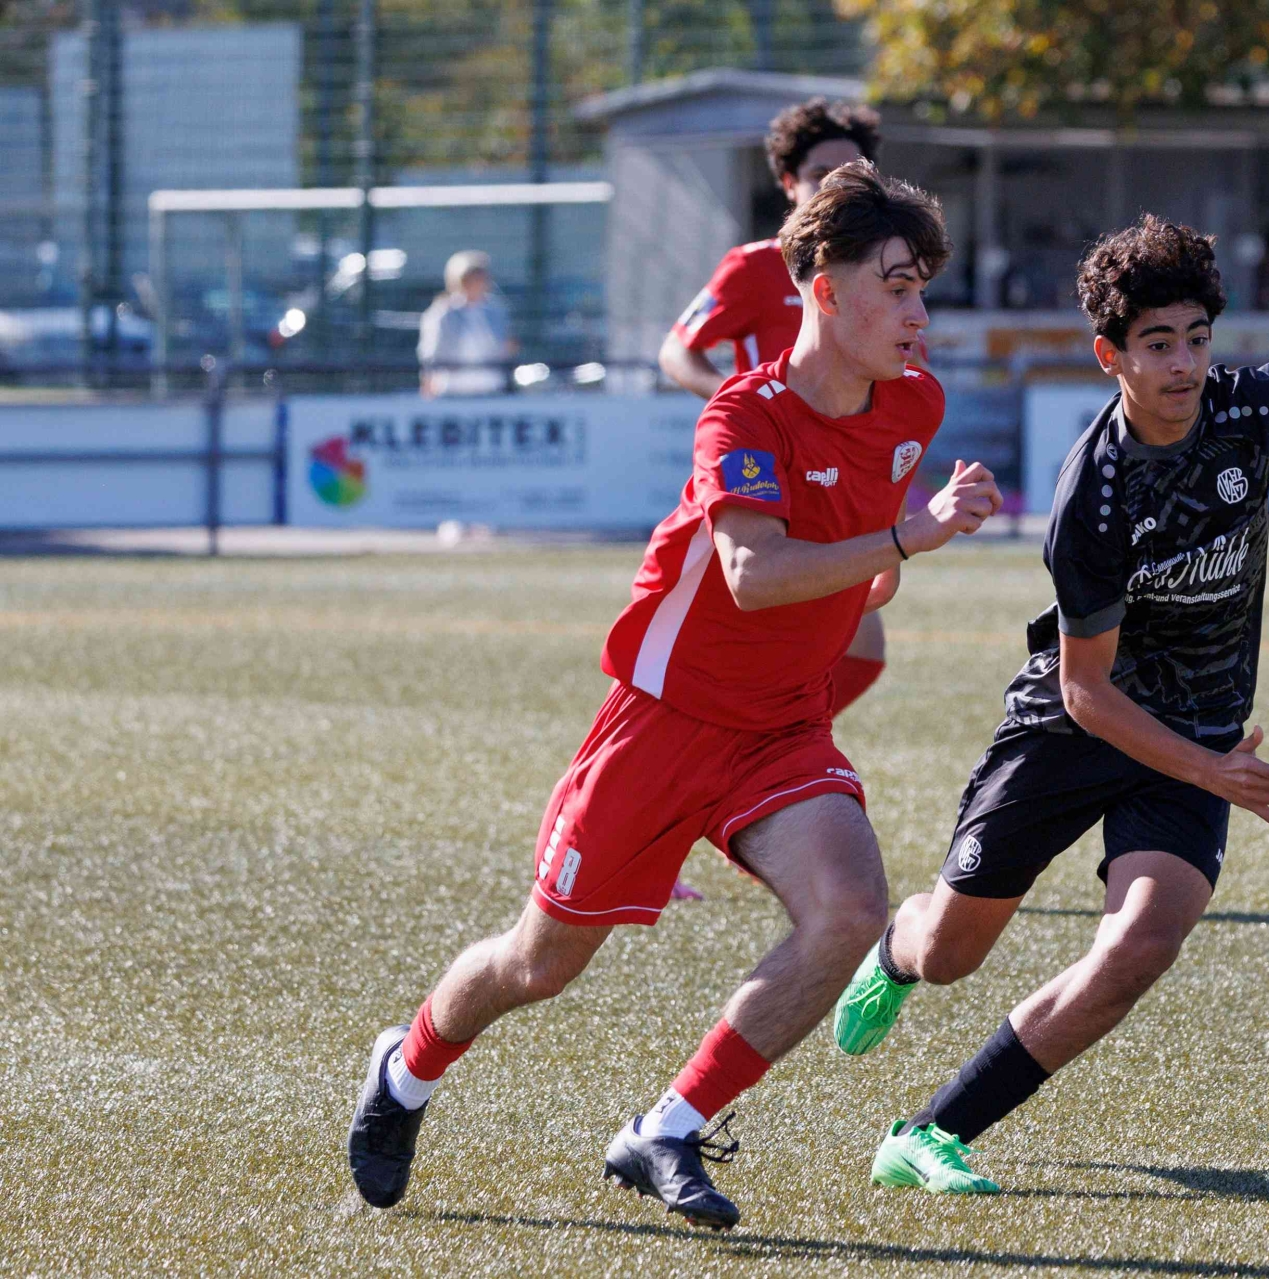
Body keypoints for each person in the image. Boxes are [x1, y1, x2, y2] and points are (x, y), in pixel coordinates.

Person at [347, 162, 1003, 1230]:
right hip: (663, 721)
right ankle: (405, 1069)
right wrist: (905, 538)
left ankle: (669, 1126)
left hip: (782, 726)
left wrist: (885, 561)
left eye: (922, 289)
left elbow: (856, 552)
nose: (919, 315)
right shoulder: (742, 414)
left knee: (849, 913)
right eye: (897, 288)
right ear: (824, 290)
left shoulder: (914, 403)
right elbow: (753, 574)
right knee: (538, 962)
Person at [829, 194, 1269, 1194]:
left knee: (1143, 943)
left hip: (1196, 734)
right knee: (950, 952)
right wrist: (1213, 771)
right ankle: (897, 949)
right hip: (1073, 730)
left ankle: (931, 1132)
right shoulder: (1095, 494)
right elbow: (1085, 690)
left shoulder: (1251, 407)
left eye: (1197, 338)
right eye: (1158, 344)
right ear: (1110, 355)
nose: (1184, 364)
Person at [660, 98, 898, 718]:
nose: (838, 185)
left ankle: (779, 743)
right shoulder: (755, 266)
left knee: (860, 646)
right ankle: (761, 742)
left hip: (837, 479)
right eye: (821, 174)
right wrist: (737, 404)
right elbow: (677, 350)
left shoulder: (878, 272)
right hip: (763, 477)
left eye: (853, 173)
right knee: (753, 632)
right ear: (789, 183)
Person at [419, 251, 516, 397]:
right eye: (472, 278)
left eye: (482, 278)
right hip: (452, 385)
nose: (479, 283)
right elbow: (430, 351)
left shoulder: (497, 309)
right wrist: (428, 380)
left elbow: (504, 346)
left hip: (491, 384)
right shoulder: (443, 312)